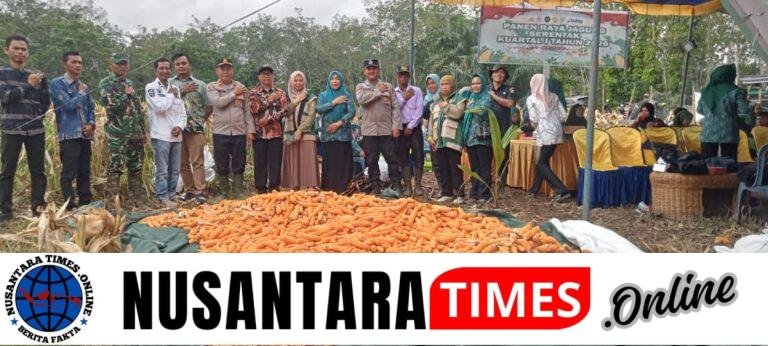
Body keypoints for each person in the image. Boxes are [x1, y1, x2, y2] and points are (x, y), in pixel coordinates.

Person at [0, 35, 50, 220]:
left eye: (23, 49)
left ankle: (37, 207)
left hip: (36, 131)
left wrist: (38, 115)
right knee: (7, 171)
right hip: (11, 130)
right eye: (16, 48)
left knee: (38, 170)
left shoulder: (38, 75)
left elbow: (46, 101)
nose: (20, 52)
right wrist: (27, 85)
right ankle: (5, 211)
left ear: (27, 53)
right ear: (7, 50)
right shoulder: (2, 73)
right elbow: (5, 98)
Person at [99, 52, 148, 208]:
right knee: (116, 167)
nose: (123, 66)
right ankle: (113, 203)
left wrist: (143, 130)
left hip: (135, 133)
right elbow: (111, 108)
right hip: (118, 134)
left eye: (125, 64)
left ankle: (138, 200)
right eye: (119, 63)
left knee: (136, 166)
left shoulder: (130, 83)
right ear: (111, 65)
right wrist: (125, 96)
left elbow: (137, 109)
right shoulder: (106, 83)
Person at [50, 51, 95, 210]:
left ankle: (85, 201)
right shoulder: (58, 84)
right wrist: (81, 93)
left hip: (84, 135)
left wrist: (90, 124)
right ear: (65, 64)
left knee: (84, 170)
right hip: (69, 134)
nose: (77, 65)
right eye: (74, 62)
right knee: (69, 172)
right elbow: (67, 106)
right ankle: (69, 205)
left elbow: (91, 108)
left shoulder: (84, 86)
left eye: (80, 62)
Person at [207, 58, 253, 199]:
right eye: (223, 68)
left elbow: (247, 110)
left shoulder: (241, 87)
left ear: (232, 71)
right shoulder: (212, 87)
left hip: (239, 131)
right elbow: (218, 103)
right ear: (217, 71)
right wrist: (234, 93)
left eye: (228, 68)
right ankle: (223, 193)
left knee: (239, 161)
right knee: (221, 161)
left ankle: (238, 192)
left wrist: (250, 130)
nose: (226, 71)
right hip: (221, 132)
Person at [355, 59, 402, 195]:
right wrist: (377, 91)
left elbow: (395, 108)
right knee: (371, 160)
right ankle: (375, 187)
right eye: (368, 68)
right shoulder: (360, 87)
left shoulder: (387, 86)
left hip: (386, 130)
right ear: (364, 71)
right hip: (369, 131)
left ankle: (397, 185)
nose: (371, 71)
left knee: (392, 159)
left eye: (374, 68)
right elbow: (362, 100)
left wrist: (396, 127)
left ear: (378, 70)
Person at [170, 53, 212, 204]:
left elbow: (208, 107)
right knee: (182, 163)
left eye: (184, 63)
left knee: (198, 161)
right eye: (178, 64)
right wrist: (182, 90)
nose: (181, 66)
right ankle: (189, 191)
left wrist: (199, 120)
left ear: (189, 65)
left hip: (195, 130)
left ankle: (201, 191)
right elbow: (163, 102)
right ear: (174, 67)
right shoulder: (169, 84)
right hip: (176, 131)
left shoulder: (200, 85)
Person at [146, 57, 187, 207]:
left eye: (167, 68)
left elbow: (182, 112)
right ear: (155, 70)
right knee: (162, 170)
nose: (165, 71)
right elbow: (159, 107)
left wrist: (180, 127)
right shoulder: (151, 88)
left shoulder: (175, 89)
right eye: (161, 68)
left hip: (176, 136)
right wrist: (170, 95)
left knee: (175, 170)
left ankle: (171, 194)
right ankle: (162, 197)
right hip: (161, 135)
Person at [526, 74, 570, 202]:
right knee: (542, 162)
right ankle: (534, 190)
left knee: (542, 163)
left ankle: (561, 190)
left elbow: (533, 118)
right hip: (556, 132)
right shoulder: (554, 96)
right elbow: (563, 115)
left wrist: (536, 127)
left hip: (545, 133)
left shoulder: (531, 99)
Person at [698, 64, 751, 159]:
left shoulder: (706, 91)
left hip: (708, 132)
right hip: (729, 132)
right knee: (729, 164)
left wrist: (712, 116)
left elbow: (700, 109)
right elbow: (745, 110)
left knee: (707, 163)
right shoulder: (736, 91)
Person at [428, 75, 467, 204]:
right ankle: (447, 193)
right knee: (443, 167)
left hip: (453, 140)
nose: (444, 86)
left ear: (452, 85)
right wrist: (430, 136)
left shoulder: (459, 98)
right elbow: (431, 120)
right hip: (439, 140)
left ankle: (460, 194)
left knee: (454, 168)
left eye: (447, 84)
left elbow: (458, 114)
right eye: (443, 84)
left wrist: (446, 106)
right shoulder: (435, 101)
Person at [317, 70, 356, 193]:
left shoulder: (346, 95)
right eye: (332, 78)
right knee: (330, 163)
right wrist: (334, 102)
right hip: (328, 136)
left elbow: (352, 112)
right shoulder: (323, 95)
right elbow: (318, 109)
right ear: (329, 81)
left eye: (337, 78)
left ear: (341, 80)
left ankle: (345, 189)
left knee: (343, 163)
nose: (335, 81)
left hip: (343, 135)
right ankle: (330, 189)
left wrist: (339, 123)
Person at [249, 65, 286, 194]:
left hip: (276, 133)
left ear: (273, 76)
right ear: (259, 77)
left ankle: (274, 186)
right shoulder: (253, 93)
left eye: (269, 74)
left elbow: (284, 110)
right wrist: (269, 100)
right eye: (264, 74)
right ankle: (261, 188)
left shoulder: (280, 92)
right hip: (259, 134)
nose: (267, 76)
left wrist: (268, 119)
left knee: (275, 160)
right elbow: (254, 109)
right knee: (260, 161)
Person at [282, 70, 319, 190]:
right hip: (290, 135)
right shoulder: (286, 97)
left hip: (306, 134)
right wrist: (296, 101)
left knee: (306, 162)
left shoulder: (310, 96)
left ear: (304, 81)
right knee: (294, 160)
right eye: (295, 80)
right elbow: (285, 112)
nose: (298, 83)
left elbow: (311, 117)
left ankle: (309, 188)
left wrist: (299, 131)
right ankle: (294, 187)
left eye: (301, 80)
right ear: (291, 82)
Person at [394, 65, 424, 196]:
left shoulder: (417, 91)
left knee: (419, 156)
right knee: (403, 157)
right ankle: (408, 187)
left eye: (405, 75)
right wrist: (404, 98)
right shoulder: (394, 92)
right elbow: (395, 109)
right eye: (401, 75)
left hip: (414, 128)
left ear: (409, 77)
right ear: (397, 77)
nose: (403, 77)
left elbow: (420, 109)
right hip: (400, 128)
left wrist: (411, 126)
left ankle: (418, 186)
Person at [463, 74, 493, 205]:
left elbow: (481, 112)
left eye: (478, 83)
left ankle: (484, 194)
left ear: (483, 84)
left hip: (483, 138)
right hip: (470, 138)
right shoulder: (470, 97)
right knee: (474, 167)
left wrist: (470, 108)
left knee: (484, 167)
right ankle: (474, 192)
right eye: (473, 83)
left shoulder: (487, 97)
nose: (475, 86)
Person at [488, 65, 516, 195]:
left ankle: (501, 186)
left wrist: (493, 96)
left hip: (504, 128)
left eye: (502, 72)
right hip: (487, 128)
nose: (499, 74)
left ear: (505, 76)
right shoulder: (486, 88)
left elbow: (510, 103)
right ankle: (487, 185)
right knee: (487, 157)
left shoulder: (509, 88)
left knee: (503, 157)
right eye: (496, 72)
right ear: (491, 75)